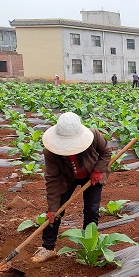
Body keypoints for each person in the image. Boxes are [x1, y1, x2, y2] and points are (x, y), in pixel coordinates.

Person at [31, 112, 112, 262]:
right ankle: (48, 247)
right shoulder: (51, 151)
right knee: (54, 213)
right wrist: (52, 207)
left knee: (92, 210)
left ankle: (89, 245)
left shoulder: (94, 136)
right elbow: (52, 179)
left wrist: (98, 170)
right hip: (66, 179)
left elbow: (106, 152)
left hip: (92, 176)